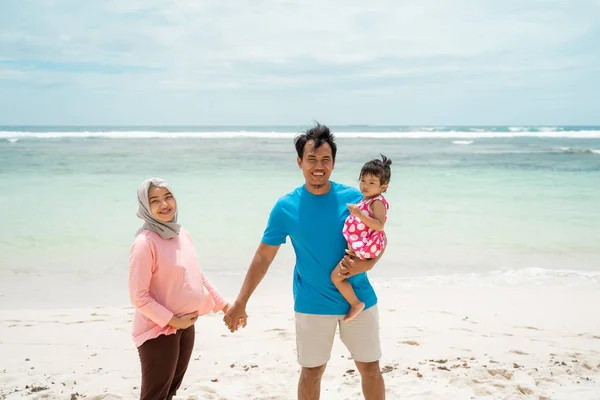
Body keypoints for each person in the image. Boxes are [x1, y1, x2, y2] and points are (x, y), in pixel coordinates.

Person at [224, 123, 386, 400]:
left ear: (334, 163)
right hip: (312, 303)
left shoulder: (355, 200)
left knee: (370, 368)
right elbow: (264, 256)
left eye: (325, 160)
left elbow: (380, 237)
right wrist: (241, 301)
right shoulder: (286, 206)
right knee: (311, 371)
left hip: (359, 299)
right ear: (300, 162)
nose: (318, 166)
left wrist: (369, 264)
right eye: (312, 159)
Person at [128, 177, 232, 400]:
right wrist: (174, 321)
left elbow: (197, 276)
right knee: (155, 395)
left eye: (168, 197)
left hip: (186, 325)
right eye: (155, 200)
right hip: (157, 330)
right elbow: (139, 297)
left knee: (170, 392)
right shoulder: (144, 243)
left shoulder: (182, 234)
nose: (164, 204)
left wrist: (224, 305)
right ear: (145, 207)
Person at [331, 155, 391, 323]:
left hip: (365, 247)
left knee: (336, 277)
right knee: (338, 276)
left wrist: (358, 214)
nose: (365, 185)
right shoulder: (367, 199)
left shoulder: (377, 202)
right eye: (363, 180)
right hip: (358, 248)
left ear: (383, 186)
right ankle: (354, 301)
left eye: (372, 183)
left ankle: (356, 303)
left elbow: (379, 226)